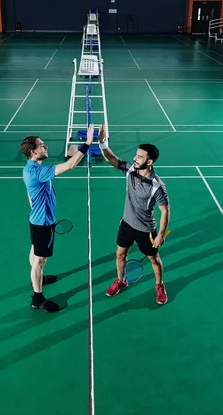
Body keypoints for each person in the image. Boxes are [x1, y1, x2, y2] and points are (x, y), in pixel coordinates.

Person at [21, 124, 94, 313]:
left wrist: (35, 210)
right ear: (33, 151)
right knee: (40, 260)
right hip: (42, 222)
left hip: (36, 219)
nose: (45, 147)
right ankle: (37, 298)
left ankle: (39, 278)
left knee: (35, 250)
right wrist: (87, 143)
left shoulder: (29, 168)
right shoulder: (38, 172)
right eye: (41, 145)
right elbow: (70, 165)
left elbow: (30, 196)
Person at [98, 124, 169, 305]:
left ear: (150, 161)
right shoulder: (130, 170)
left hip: (146, 230)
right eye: (136, 155)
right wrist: (102, 143)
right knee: (120, 255)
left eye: (139, 156)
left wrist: (160, 233)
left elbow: (164, 210)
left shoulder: (157, 186)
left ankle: (159, 285)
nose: (135, 158)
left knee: (154, 259)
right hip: (127, 224)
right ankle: (121, 280)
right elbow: (111, 159)